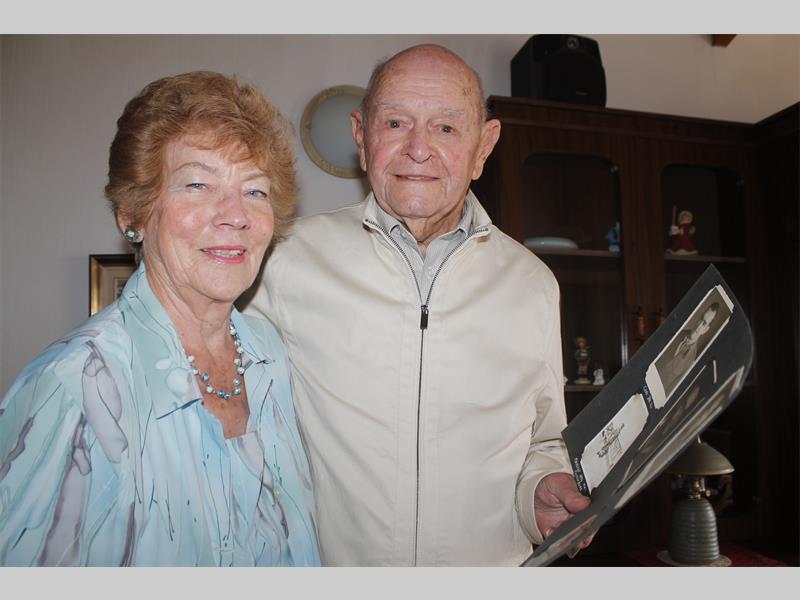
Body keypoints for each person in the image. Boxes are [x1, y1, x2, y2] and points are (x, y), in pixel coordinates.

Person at [245, 44, 591, 566]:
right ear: (362, 137)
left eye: (446, 128)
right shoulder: (283, 260)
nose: (418, 149)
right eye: (396, 123)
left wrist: (537, 493)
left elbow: (545, 440)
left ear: (483, 147)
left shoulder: (533, 284)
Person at [0, 72, 320, 566]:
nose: (235, 215)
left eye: (255, 191)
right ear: (132, 212)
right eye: (198, 184)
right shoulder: (74, 387)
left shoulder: (269, 352)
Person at [660, 303, 720, 397]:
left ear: (706, 330)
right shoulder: (677, 332)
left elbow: (670, 392)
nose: (699, 325)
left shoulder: (691, 361)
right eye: (701, 318)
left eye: (704, 323)